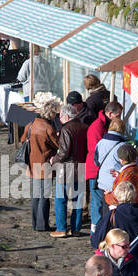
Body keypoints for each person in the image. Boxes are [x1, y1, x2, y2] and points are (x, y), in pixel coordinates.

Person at [90, 179, 138, 265]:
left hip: (119, 259)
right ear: (134, 195)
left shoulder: (113, 214)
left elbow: (96, 239)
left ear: (117, 195)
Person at [50, 100, 88, 238]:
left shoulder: (66, 129)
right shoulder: (84, 127)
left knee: (61, 199)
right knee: (78, 200)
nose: (59, 119)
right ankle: (76, 228)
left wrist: (53, 160)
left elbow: (64, 152)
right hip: (81, 167)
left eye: (60, 116)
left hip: (67, 169)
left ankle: (61, 228)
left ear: (66, 116)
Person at [21, 96, 59, 232]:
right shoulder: (48, 128)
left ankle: (36, 223)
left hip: (32, 163)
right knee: (44, 196)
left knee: (36, 195)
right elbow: (58, 144)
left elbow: (22, 140)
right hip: (45, 164)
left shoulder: (31, 124)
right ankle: (43, 224)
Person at [85, 101, 121, 230]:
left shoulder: (105, 124)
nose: (119, 118)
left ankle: (102, 229)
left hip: (101, 171)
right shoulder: (97, 127)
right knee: (97, 203)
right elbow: (97, 153)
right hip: (96, 171)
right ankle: (97, 231)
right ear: (110, 114)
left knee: (102, 202)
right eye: (118, 115)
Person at [104, 142, 138, 207]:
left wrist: (107, 195)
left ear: (121, 160)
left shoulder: (126, 175)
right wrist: (120, 175)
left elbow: (118, 199)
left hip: (126, 210)